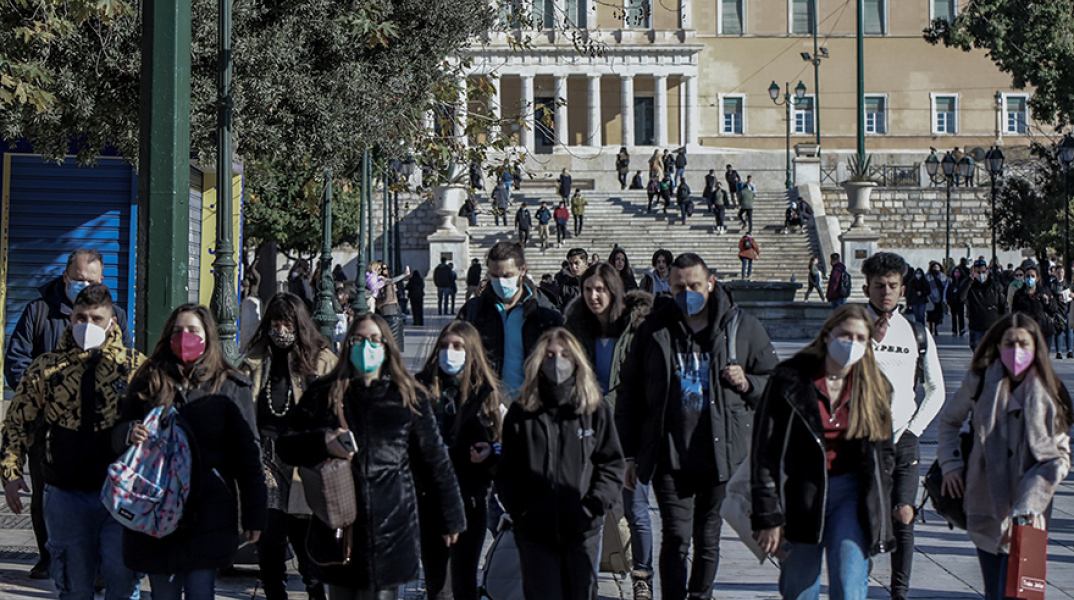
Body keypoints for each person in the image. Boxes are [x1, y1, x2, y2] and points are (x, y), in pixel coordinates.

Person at [617, 253, 779, 600]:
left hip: (721, 455)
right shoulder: (654, 330)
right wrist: (629, 454)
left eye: (694, 285)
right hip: (669, 456)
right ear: (668, 286)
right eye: (678, 287)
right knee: (675, 538)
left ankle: (700, 596)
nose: (687, 292)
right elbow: (629, 394)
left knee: (708, 538)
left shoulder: (741, 327)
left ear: (711, 283)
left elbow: (775, 384)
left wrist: (747, 383)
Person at [277, 314, 466, 600]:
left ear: (387, 346)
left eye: (375, 340)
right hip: (340, 528)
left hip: (390, 530)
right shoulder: (324, 393)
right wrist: (323, 442)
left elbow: (435, 460)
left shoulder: (408, 397)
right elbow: (287, 446)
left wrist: (451, 517)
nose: (367, 346)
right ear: (348, 344)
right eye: (359, 339)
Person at [1, 284, 143, 599]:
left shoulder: (135, 368)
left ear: (112, 322)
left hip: (119, 495)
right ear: (70, 319)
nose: (87, 326)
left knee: (122, 579)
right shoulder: (45, 368)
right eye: (80, 318)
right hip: (65, 494)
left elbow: (160, 422)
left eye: (96, 318)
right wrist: (11, 474)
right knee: (74, 585)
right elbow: (17, 421)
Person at [116, 304, 266, 599]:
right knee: (164, 593)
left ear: (208, 336)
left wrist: (254, 516)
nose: (184, 337)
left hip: (207, 514)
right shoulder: (150, 379)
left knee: (200, 591)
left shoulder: (230, 387)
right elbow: (116, 434)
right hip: (156, 514)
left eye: (193, 331)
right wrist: (128, 433)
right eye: (177, 331)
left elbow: (249, 457)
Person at [752, 304, 896, 600]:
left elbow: (884, 455)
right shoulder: (789, 380)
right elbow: (764, 450)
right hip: (801, 493)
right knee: (799, 586)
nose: (851, 343)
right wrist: (768, 515)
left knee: (850, 581)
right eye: (845, 334)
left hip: (851, 494)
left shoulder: (875, 388)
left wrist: (882, 506)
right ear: (828, 335)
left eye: (860, 338)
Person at [936, 313, 1072, 600]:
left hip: (1030, 511)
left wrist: (1030, 501)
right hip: (985, 503)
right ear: (997, 345)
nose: (1016, 350)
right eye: (1009, 343)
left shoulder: (1051, 390)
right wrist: (951, 464)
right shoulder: (981, 380)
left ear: (1037, 347)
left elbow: (1060, 455)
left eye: (1024, 343)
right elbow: (949, 422)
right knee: (995, 592)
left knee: (1021, 593)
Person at [497, 328, 626, 600]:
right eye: (550, 355)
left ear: (576, 360)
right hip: (535, 531)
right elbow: (508, 471)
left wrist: (594, 505)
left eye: (565, 355)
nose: (557, 362)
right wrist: (521, 511)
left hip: (581, 528)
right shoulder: (522, 413)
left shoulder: (593, 409)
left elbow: (610, 464)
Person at [564, 264, 655, 599]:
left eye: (600, 289)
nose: (593, 296)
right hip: (587, 430)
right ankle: (584, 579)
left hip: (629, 429)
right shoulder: (575, 326)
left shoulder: (638, 326)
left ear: (614, 289)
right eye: (588, 289)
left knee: (637, 507)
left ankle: (642, 576)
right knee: (590, 508)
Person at [860, 253, 947, 600]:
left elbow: (937, 388)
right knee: (863, 516)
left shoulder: (916, 332)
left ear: (903, 289)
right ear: (866, 287)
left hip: (904, 438)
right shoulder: (850, 326)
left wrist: (915, 429)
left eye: (892, 286)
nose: (886, 292)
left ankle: (900, 592)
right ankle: (857, 585)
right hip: (861, 440)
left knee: (904, 514)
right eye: (879, 286)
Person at [239, 293, 337, 600]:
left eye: (287, 323)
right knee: (269, 537)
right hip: (265, 458)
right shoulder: (254, 358)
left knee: (303, 537)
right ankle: (274, 593)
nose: (281, 330)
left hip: (302, 460)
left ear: (300, 324)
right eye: (275, 323)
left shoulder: (321, 359)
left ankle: (315, 592)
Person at [415, 321, 503, 600]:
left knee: (464, 581)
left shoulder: (487, 396)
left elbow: (504, 449)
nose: (449, 352)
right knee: (437, 584)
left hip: (470, 500)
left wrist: (489, 455)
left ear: (471, 353)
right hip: (430, 500)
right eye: (444, 346)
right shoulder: (420, 389)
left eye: (457, 347)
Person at [458, 242, 563, 398]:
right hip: (486, 405)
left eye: (507, 275)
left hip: (532, 405)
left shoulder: (545, 314)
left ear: (522, 270)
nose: (500, 282)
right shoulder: (473, 311)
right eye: (494, 276)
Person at [962, 259, 1008, 351]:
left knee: (993, 355)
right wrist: (969, 280)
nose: (981, 275)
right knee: (978, 355)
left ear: (987, 271)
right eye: (978, 272)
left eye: (983, 272)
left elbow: (1003, 305)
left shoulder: (995, 286)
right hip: (976, 327)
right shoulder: (970, 286)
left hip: (992, 327)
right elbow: (961, 297)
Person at [1012, 266, 1057, 348]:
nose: (1030, 278)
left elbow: (1053, 309)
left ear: (1037, 278)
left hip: (1044, 330)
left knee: (1042, 358)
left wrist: (1048, 302)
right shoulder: (1019, 294)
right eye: (1027, 276)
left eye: (1032, 276)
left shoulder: (1044, 291)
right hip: (1026, 331)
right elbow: (1015, 312)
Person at [1050, 265, 1072, 358]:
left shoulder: (1068, 284)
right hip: (1058, 309)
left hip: (1068, 308)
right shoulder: (1052, 284)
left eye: (1061, 272)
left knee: (1069, 330)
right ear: (1055, 273)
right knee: (1059, 330)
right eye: (1058, 272)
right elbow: (1050, 294)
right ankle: (1058, 351)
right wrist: (1056, 297)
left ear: (1064, 273)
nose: (1060, 274)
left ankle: (1070, 350)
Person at [925, 262, 947, 336]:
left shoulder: (943, 276)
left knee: (938, 315)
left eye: (937, 267)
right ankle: (931, 327)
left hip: (940, 298)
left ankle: (936, 328)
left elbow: (945, 287)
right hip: (930, 298)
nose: (936, 269)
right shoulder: (927, 276)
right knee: (931, 314)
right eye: (934, 267)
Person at [948, 267, 970, 337]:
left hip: (960, 300)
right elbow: (947, 290)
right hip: (952, 301)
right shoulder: (951, 281)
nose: (956, 274)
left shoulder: (963, 281)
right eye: (955, 272)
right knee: (953, 316)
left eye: (958, 272)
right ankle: (954, 330)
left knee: (960, 315)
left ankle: (961, 328)